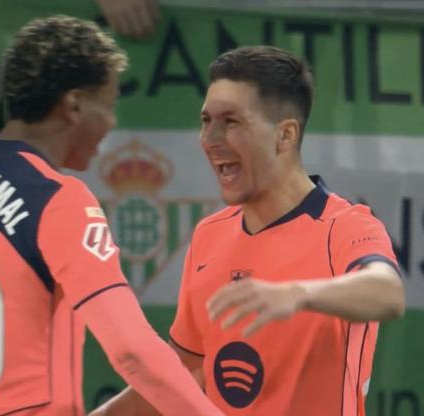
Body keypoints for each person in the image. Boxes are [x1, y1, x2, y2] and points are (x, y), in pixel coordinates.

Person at [0, 15, 222, 416]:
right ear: (74, 105)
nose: (111, 123)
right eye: (108, 106)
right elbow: (132, 351)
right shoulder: (57, 201)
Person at [92, 45, 406, 416]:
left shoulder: (343, 225)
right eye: (206, 120)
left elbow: (387, 292)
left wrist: (298, 293)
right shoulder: (209, 234)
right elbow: (182, 375)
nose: (210, 138)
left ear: (285, 135)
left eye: (231, 121)